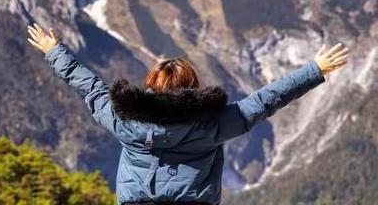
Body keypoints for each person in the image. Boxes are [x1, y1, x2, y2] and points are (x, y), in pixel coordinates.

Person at [27, 23, 349, 205]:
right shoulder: (214, 125)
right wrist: (314, 70)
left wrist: (55, 51)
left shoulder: (123, 119)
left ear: (151, 85)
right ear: (192, 86)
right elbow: (266, 100)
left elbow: (90, 87)